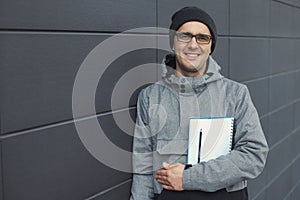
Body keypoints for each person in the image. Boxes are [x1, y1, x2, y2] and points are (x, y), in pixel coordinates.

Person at [130, 6, 268, 200]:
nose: (193, 44)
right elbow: (143, 166)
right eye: (185, 36)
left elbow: (254, 155)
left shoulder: (235, 94)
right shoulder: (150, 96)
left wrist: (188, 178)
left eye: (202, 38)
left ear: (210, 46)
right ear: (173, 43)